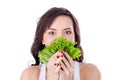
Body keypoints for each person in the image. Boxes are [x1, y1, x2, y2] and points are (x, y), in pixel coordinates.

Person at [20, 7, 101, 80]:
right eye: (52, 33)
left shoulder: (90, 72)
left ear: (75, 38)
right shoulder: (29, 75)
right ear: (42, 39)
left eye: (67, 32)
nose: (60, 39)